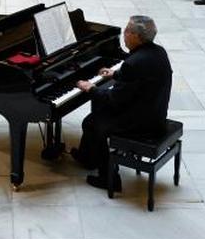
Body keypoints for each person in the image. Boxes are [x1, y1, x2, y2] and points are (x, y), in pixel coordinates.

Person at [72, 15, 173, 191]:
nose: (124, 33)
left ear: (136, 36)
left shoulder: (133, 63)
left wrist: (90, 88)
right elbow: (141, 78)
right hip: (155, 114)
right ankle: (87, 158)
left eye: (127, 30)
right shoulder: (158, 52)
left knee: (93, 122)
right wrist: (115, 74)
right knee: (98, 115)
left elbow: (114, 100)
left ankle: (109, 178)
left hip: (140, 124)